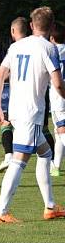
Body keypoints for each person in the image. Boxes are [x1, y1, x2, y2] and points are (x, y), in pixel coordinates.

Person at [0, 6, 65, 223]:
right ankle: (1, 212)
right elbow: (58, 84)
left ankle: (50, 206)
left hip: (16, 111)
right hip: (31, 113)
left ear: (31, 25)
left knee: (46, 153)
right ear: (51, 27)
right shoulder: (49, 48)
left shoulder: (17, 46)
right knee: (18, 161)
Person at [0, 17, 29, 174]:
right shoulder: (42, 45)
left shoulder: (14, 48)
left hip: (20, 100)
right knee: (44, 145)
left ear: (13, 31)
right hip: (39, 98)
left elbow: (1, 74)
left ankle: (9, 157)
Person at [49, 21, 65, 174]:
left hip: (59, 97)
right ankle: (56, 167)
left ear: (52, 37)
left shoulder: (51, 52)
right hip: (60, 96)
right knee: (58, 130)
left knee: (61, 130)